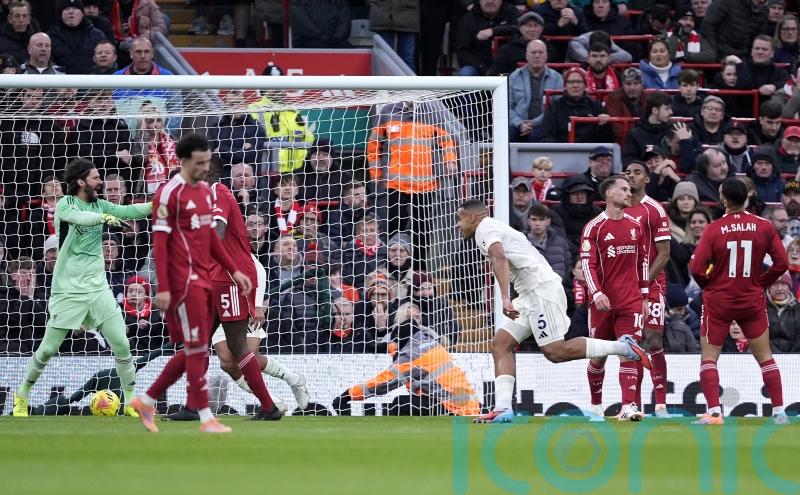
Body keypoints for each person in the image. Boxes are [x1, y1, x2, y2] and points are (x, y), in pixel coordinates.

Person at [456, 198, 650, 423]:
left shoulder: (485, 227)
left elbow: (499, 257)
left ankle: (624, 347)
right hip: (529, 294)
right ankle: (502, 408)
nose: (458, 225)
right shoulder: (491, 227)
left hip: (541, 291)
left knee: (555, 352)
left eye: (460, 219)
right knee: (500, 344)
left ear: (472, 217)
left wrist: (505, 298)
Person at [129, 134, 253, 433]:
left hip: (203, 278)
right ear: (183, 161)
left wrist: (233, 269)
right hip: (181, 280)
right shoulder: (168, 194)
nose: (204, 169)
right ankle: (204, 417)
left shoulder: (204, 193)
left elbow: (211, 237)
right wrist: (164, 288)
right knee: (195, 346)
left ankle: (148, 400)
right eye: (199, 164)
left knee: (196, 348)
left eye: (206, 163)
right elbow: (160, 243)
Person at [12, 158, 153, 417]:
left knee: (122, 344)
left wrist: (161, 203)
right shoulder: (66, 204)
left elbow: (132, 211)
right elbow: (81, 217)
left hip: (98, 288)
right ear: (80, 182)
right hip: (68, 288)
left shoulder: (101, 203)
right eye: (96, 178)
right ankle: (21, 395)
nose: (101, 182)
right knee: (47, 349)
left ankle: (131, 400)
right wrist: (104, 218)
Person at [167, 172, 308, 420]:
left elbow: (218, 232)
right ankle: (193, 406)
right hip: (213, 280)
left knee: (238, 349)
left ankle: (270, 404)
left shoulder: (217, 193)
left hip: (230, 279)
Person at [688, 177, 789, 425]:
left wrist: (709, 287)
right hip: (750, 299)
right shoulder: (764, 226)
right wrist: (760, 284)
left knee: (709, 357)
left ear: (723, 199)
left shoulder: (713, 228)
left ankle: (714, 413)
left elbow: (697, 268)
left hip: (719, 300)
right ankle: (779, 412)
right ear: (746, 198)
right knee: (765, 356)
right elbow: (782, 264)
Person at [581, 175, 652, 422]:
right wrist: (596, 293)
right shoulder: (595, 227)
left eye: (629, 189)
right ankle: (595, 405)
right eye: (623, 189)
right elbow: (587, 265)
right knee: (598, 356)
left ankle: (627, 406)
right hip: (602, 302)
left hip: (631, 300)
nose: (628, 192)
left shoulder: (636, 226)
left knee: (629, 350)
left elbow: (643, 261)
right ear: (609, 194)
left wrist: (644, 295)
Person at [333, 301, 480, 416]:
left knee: (399, 404)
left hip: (452, 407)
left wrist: (348, 395)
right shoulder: (430, 342)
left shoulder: (411, 356)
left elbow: (383, 383)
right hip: (468, 403)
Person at [624, 161, 672, 417]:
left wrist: (642, 283)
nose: (631, 176)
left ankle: (661, 404)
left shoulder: (654, 210)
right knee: (633, 342)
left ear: (647, 179)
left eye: (637, 173)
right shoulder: (616, 209)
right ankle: (634, 404)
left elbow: (664, 255)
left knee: (653, 339)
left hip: (651, 284)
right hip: (623, 287)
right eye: (628, 172)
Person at [508, 39, 563, 143]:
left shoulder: (557, 78)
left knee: (538, 135)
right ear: (526, 55)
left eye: (540, 52)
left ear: (546, 55)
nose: (537, 56)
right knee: (508, 133)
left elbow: (557, 109)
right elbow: (507, 107)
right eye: (533, 52)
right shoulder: (513, 77)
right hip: (518, 125)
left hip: (544, 124)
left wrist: (534, 123)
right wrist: (520, 124)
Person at [538, 67, 613, 143]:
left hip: (590, 150)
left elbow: (605, 138)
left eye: (579, 82)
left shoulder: (595, 106)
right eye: (571, 82)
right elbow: (546, 135)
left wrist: (604, 125)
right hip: (563, 150)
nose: (575, 85)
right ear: (565, 86)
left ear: (585, 85)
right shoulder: (555, 106)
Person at [456, 0, 520, 76]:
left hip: (507, 64)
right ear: (479, 1)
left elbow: (521, 29)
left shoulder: (511, 12)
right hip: (479, 66)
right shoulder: (468, 19)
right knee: (466, 72)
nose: (489, 1)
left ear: (500, 1)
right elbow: (462, 51)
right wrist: (484, 68)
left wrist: (494, 31)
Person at [48, 0, 106, 74]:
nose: (71, 12)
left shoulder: (98, 36)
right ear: (61, 14)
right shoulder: (50, 37)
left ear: (82, 14)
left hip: (91, 82)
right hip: (60, 83)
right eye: (67, 9)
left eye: (75, 8)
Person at [703, 0, 768, 59]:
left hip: (742, 56)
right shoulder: (725, 2)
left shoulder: (763, 11)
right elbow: (708, 26)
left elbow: (757, 37)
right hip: (719, 53)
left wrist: (749, 58)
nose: (762, 1)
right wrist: (714, 52)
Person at [623, 91, 673, 165]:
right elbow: (629, 161)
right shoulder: (635, 134)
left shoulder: (672, 130)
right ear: (655, 110)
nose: (671, 112)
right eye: (667, 109)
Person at [606, 67, 647, 142]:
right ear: (623, 85)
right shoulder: (613, 98)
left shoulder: (648, 99)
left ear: (642, 85)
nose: (632, 87)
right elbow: (618, 130)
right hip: (622, 143)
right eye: (628, 84)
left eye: (636, 83)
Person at [766, 272, 800, 353]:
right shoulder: (761, 307)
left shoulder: (798, 308)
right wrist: (777, 354)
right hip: (767, 356)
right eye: (775, 284)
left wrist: (791, 355)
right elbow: (759, 335)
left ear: (789, 287)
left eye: (783, 284)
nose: (779, 288)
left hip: (794, 357)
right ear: (769, 287)